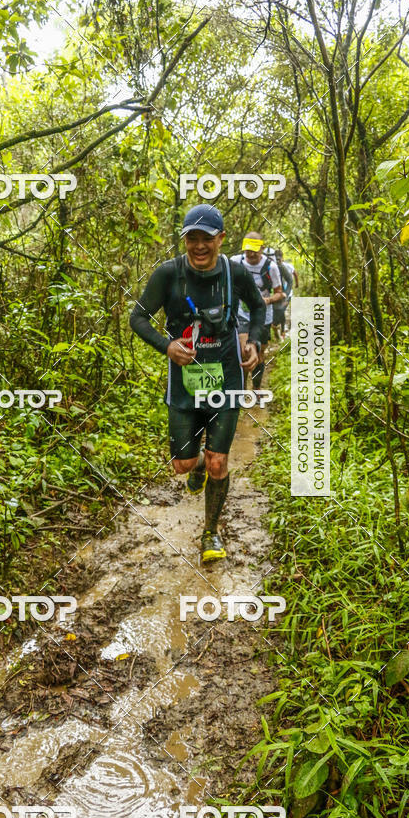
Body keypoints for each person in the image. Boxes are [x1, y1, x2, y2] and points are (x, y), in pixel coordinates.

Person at [129, 205, 265, 564]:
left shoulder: (235, 273)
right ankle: (199, 462)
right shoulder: (168, 274)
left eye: (207, 238)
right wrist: (167, 346)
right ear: (184, 239)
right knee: (183, 465)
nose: (199, 246)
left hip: (226, 377)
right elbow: (138, 317)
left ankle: (211, 533)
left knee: (220, 462)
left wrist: (255, 342)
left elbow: (258, 308)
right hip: (184, 383)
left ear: (221, 239)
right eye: (193, 238)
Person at [234, 233, 283, 390]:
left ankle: (256, 388)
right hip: (241, 314)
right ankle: (241, 391)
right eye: (248, 250)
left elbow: (280, 293)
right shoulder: (235, 262)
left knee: (259, 354)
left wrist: (266, 300)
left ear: (262, 248)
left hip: (263, 317)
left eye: (254, 250)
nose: (251, 254)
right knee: (245, 351)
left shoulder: (271, 267)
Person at [270, 249, 293, 341]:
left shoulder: (282, 266)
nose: (277, 261)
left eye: (279, 259)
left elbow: (290, 279)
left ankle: (281, 331)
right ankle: (276, 330)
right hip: (269, 294)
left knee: (280, 311)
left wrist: (286, 293)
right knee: (275, 313)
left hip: (281, 295)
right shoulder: (265, 264)